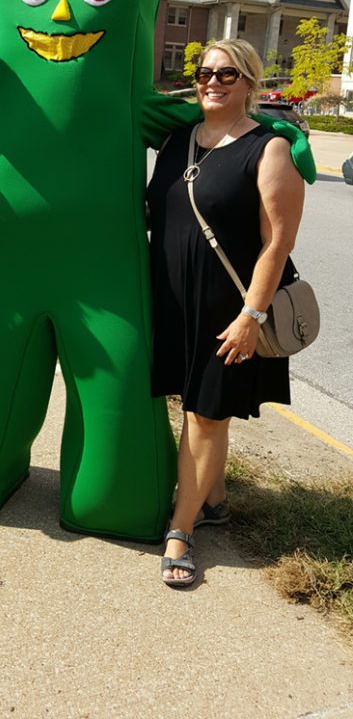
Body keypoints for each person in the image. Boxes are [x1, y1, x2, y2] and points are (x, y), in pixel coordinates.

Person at [146, 39, 305, 587]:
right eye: (204, 72)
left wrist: (251, 316)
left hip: (229, 310)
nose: (212, 81)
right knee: (195, 407)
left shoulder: (269, 148)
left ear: (249, 83)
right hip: (174, 299)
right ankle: (212, 500)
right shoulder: (177, 141)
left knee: (207, 414)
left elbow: (277, 243)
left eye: (227, 74)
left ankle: (181, 529)